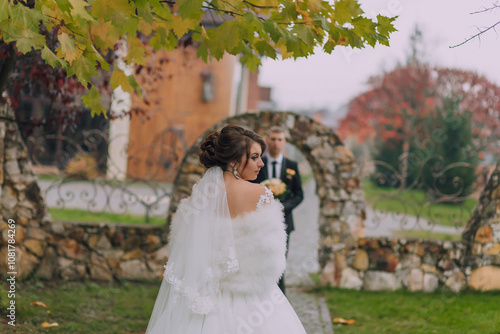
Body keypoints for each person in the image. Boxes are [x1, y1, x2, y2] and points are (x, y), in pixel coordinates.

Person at [145, 125, 306, 334]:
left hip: (202, 297)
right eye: (255, 157)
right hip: (250, 299)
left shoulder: (201, 193)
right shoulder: (260, 193)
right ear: (233, 160)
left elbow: (184, 246)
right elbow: (271, 258)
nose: (261, 163)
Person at [253, 126, 304, 295]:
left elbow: (299, 194)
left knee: (279, 262)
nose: (276, 143)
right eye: (273, 139)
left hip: (284, 222)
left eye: (279, 139)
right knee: (260, 260)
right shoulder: (258, 163)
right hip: (260, 222)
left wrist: (284, 207)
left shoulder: (292, 166)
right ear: (267, 141)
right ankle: (259, 294)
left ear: (285, 142)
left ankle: (279, 298)